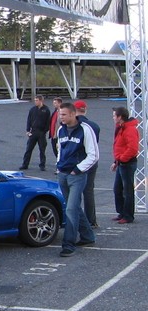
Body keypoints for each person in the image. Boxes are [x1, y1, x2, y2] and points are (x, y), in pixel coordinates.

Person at [55, 102, 99, 257]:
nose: (61, 117)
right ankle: (88, 236)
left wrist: (78, 169)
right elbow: (60, 150)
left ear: (73, 114)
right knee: (73, 208)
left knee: (71, 209)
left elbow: (93, 155)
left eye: (64, 114)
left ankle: (68, 244)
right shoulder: (61, 130)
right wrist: (58, 166)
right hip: (63, 174)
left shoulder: (85, 130)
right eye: (60, 114)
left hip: (77, 176)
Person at [111, 106, 140, 224]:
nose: (113, 118)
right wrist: (116, 161)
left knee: (127, 191)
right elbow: (120, 146)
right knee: (117, 189)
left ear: (120, 117)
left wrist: (121, 159)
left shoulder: (129, 129)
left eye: (114, 115)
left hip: (127, 163)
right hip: (122, 162)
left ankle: (128, 215)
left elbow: (132, 148)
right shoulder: (121, 128)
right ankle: (122, 212)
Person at [74, 100, 100, 227]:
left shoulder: (73, 125)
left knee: (74, 191)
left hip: (77, 161)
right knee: (88, 190)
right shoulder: (94, 126)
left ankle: (77, 219)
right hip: (91, 160)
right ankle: (91, 220)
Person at [20, 95, 51, 171]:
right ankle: (25, 164)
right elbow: (29, 120)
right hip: (33, 131)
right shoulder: (32, 109)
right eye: (35, 100)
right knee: (28, 149)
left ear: (41, 101)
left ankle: (42, 165)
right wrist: (28, 130)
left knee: (42, 150)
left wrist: (44, 131)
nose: (35, 102)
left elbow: (48, 122)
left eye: (37, 100)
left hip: (41, 132)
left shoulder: (46, 110)